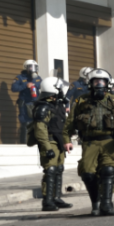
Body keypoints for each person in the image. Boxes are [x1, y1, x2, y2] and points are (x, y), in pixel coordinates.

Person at [65, 69, 114, 216]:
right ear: (90, 83)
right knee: (88, 173)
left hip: (110, 141)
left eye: (102, 81)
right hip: (89, 143)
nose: (99, 84)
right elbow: (70, 122)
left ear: (107, 84)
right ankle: (96, 203)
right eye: (96, 81)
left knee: (108, 170)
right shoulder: (81, 100)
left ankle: (107, 205)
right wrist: (66, 140)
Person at [29, 77, 73, 212]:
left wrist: (66, 141)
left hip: (59, 141)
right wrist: (47, 147)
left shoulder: (58, 105)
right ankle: (47, 201)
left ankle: (56, 198)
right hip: (49, 141)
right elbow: (40, 130)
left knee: (59, 169)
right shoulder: (43, 107)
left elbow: (61, 125)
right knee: (50, 170)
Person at [11, 59, 41, 144]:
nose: (33, 69)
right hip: (25, 103)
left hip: (35, 103)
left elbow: (43, 86)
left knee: (36, 123)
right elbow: (14, 88)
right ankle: (24, 143)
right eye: (31, 67)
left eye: (35, 67)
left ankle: (34, 142)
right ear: (26, 67)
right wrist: (25, 85)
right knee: (25, 123)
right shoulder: (20, 77)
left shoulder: (38, 78)